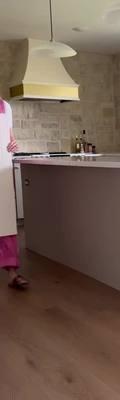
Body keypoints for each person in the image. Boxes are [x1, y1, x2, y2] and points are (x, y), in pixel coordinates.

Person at [0, 98, 29, 289]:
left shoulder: (5, 106)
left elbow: (10, 137)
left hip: (2, 163)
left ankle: (12, 273)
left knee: (6, 219)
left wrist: (13, 145)